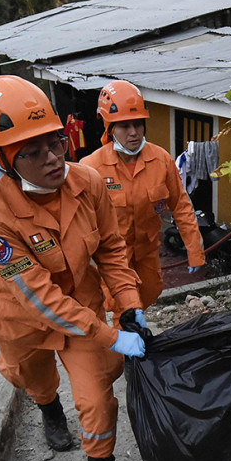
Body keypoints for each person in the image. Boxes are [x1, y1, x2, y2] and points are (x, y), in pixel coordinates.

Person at [0, 74, 148, 461]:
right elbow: (38, 298)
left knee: (98, 402)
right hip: (21, 318)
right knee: (35, 378)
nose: (52, 158)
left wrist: (128, 304)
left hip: (83, 310)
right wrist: (112, 335)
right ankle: (49, 409)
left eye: (54, 142)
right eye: (31, 152)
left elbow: (111, 248)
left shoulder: (88, 182)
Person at [81, 80, 206, 314]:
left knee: (150, 292)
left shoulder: (161, 161)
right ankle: (128, 342)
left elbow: (180, 205)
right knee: (124, 309)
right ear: (109, 128)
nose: (133, 133)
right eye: (124, 126)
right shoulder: (90, 169)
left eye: (138, 124)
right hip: (113, 261)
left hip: (148, 253)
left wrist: (194, 251)